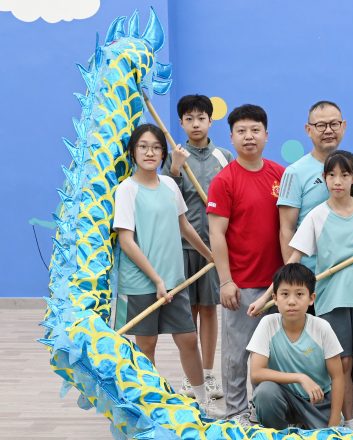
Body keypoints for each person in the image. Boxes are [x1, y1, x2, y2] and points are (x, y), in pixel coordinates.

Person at [250, 150, 353, 433]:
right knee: (343, 365)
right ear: (324, 178)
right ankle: (348, 423)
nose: (337, 181)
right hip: (331, 298)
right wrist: (266, 296)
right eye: (331, 175)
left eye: (344, 175)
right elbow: (294, 259)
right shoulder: (317, 216)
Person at [113, 123, 221, 417]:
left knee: (188, 340)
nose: (149, 152)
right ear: (133, 151)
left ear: (163, 153)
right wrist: (156, 279)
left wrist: (210, 255)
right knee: (146, 346)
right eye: (143, 146)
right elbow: (126, 241)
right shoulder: (126, 190)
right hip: (142, 283)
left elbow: (184, 226)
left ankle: (202, 404)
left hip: (175, 280)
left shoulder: (170, 186)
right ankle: (149, 407)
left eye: (156, 147)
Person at [207, 104, 285, 423]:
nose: (249, 136)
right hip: (241, 286)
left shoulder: (281, 175)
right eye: (241, 131)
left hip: (278, 286)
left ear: (266, 135)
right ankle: (236, 413)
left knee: (275, 355)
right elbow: (216, 234)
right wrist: (226, 281)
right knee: (236, 355)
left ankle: (266, 411)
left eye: (255, 130)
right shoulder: (224, 180)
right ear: (231, 137)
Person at [164, 94, 233, 400]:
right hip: (183, 246)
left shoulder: (224, 157)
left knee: (208, 309)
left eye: (201, 118)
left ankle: (208, 373)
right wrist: (176, 171)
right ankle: (190, 377)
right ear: (181, 123)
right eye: (189, 119)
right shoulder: (175, 157)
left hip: (215, 246)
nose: (195, 124)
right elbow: (167, 200)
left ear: (210, 121)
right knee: (187, 311)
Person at [246, 263, 344, 429]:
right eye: (285, 294)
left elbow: (338, 377)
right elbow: (256, 373)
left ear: (311, 298)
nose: (292, 301)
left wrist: (333, 424)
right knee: (265, 392)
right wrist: (300, 377)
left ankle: (310, 425)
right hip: (283, 397)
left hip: (317, 402)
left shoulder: (322, 328)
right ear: (275, 298)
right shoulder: (268, 324)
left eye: (299, 294)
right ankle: (279, 433)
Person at [277, 101, 353, 269]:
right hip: (312, 272)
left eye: (334, 124)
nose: (329, 131)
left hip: (352, 268)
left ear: (343, 126)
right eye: (321, 125)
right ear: (308, 130)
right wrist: (294, 275)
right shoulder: (294, 172)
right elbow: (287, 229)